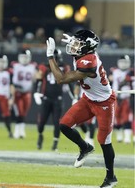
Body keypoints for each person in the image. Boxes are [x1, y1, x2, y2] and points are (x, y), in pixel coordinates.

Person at [46, 29, 118, 188]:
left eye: (77, 44)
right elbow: (78, 52)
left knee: (104, 141)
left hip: (104, 103)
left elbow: (61, 79)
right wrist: (73, 40)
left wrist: (50, 56)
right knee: (64, 125)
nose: (73, 45)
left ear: (88, 48)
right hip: (88, 99)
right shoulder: (82, 55)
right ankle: (85, 147)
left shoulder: (88, 62)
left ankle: (110, 177)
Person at [33, 49, 72, 151]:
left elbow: (69, 83)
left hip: (57, 99)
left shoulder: (64, 67)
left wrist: (74, 97)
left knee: (57, 123)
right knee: (41, 122)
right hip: (46, 98)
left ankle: (55, 143)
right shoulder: (44, 66)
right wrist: (37, 92)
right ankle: (40, 135)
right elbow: (39, 79)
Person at [11, 49, 37, 139]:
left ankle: (21, 131)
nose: (24, 59)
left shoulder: (33, 66)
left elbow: (35, 79)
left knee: (24, 113)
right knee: (20, 112)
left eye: (26, 57)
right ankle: (17, 131)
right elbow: (11, 81)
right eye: (22, 57)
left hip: (27, 93)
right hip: (18, 92)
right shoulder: (15, 66)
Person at [109, 55, 134, 143]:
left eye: (125, 62)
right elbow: (109, 82)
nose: (123, 64)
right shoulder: (114, 71)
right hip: (115, 97)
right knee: (116, 116)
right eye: (122, 62)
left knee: (127, 116)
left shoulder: (131, 72)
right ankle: (119, 135)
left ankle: (127, 137)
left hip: (127, 96)